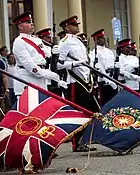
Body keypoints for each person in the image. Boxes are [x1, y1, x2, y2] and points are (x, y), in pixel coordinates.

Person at [57, 15, 99, 152]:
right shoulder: (65, 42)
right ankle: (77, 142)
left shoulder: (79, 40)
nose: (77, 26)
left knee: (88, 111)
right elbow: (59, 65)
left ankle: (85, 140)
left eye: (77, 24)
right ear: (67, 27)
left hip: (86, 79)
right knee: (78, 112)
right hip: (76, 81)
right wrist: (76, 63)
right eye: (74, 25)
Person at [12, 11, 67, 97]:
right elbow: (29, 65)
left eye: (32, 21)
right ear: (20, 26)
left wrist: (55, 53)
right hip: (28, 80)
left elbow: (47, 57)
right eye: (28, 22)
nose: (32, 24)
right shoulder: (19, 42)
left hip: (41, 80)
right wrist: (47, 74)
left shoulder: (37, 40)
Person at [89, 29, 117, 106]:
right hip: (103, 81)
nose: (104, 39)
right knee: (104, 103)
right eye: (102, 38)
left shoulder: (109, 51)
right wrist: (108, 81)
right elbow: (99, 68)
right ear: (96, 40)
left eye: (104, 37)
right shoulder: (94, 52)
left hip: (112, 79)